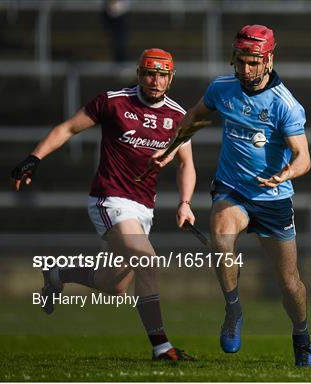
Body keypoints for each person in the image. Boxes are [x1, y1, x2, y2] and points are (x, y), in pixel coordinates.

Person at [10, 48, 196, 363]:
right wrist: (34, 158)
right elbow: (68, 128)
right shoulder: (113, 101)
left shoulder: (178, 116)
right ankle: (162, 347)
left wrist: (185, 203)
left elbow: (185, 164)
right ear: (139, 74)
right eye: (150, 73)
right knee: (148, 261)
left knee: (113, 286)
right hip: (109, 199)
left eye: (162, 74)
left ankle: (57, 275)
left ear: (171, 78)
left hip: (143, 209)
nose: (155, 80)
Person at [153, 25, 311, 367]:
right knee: (222, 238)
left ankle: (301, 337)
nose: (245, 69)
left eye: (254, 62)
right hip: (232, 189)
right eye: (241, 61)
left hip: (272, 197)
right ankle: (233, 309)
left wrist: (284, 174)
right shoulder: (222, 88)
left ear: (269, 60)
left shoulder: (285, 104)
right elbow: (194, 115)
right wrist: (173, 146)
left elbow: (304, 158)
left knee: (290, 283)